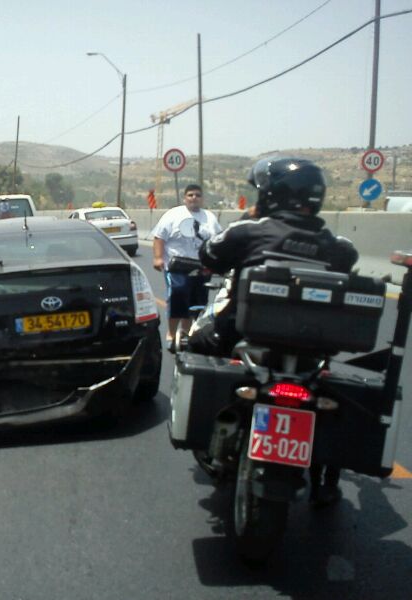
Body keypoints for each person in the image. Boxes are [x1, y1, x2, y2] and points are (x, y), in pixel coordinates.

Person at [189, 157, 358, 507]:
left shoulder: (250, 231)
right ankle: (327, 478)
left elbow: (209, 253)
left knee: (196, 343)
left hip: (242, 335)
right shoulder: (338, 246)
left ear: (270, 195)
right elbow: (349, 261)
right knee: (328, 389)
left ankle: (207, 439)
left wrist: (249, 220)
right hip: (313, 346)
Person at [152, 184, 221, 346]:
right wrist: (157, 258)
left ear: (202, 199)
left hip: (202, 267)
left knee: (198, 301)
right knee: (178, 295)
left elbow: (218, 241)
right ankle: (171, 333)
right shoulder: (173, 215)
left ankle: (188, 333)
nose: (194, 198)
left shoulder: (209, 218)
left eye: (197, 195)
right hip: (177, 267)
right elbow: (159, 237)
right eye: (190, 195)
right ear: (185, 198)